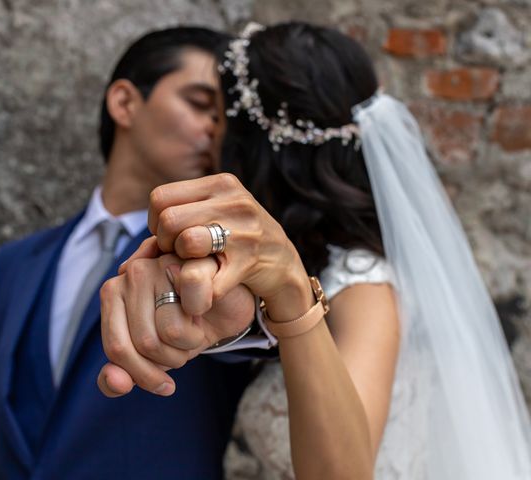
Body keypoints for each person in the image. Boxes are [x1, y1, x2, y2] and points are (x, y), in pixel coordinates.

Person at [99, 22, 531, 479]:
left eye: (220, 120)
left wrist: (291, 297)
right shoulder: (319, 269)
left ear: (255, 147)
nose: (211, 138)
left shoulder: (363, 283)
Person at [0, 26, 261, 479]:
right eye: (200, 105)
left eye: (225, 118)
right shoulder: (14, 265)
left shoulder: (220, 262)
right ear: (124, 102)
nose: (215, 130)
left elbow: (262, 331)